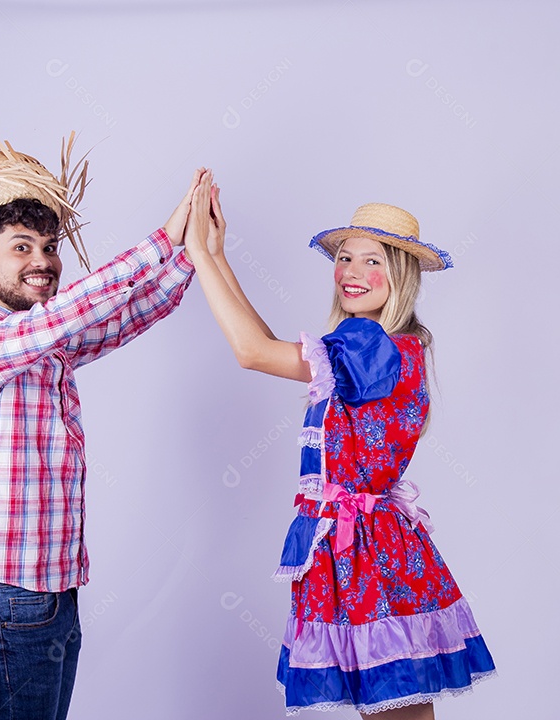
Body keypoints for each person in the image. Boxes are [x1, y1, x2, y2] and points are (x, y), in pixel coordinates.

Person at [0, 111, 201, 720]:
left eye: (48, 247)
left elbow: (124, 316)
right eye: (21, 247)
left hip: (47, 589)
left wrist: (192, 253)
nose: (42, 260)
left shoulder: (44, 345)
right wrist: (163, 239)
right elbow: (66, 315)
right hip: (0, 591)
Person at [182, 172, 496, 717]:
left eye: (373, 260)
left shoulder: (369, 346)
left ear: (399, 274)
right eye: (346, 258)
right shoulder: (380, 345)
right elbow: (268, 344)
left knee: (396, 708)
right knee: (398, 708)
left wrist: (197, 256)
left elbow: (252, 352)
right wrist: (217, 255)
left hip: (366, 550)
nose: (352, 271)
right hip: (366, 542)